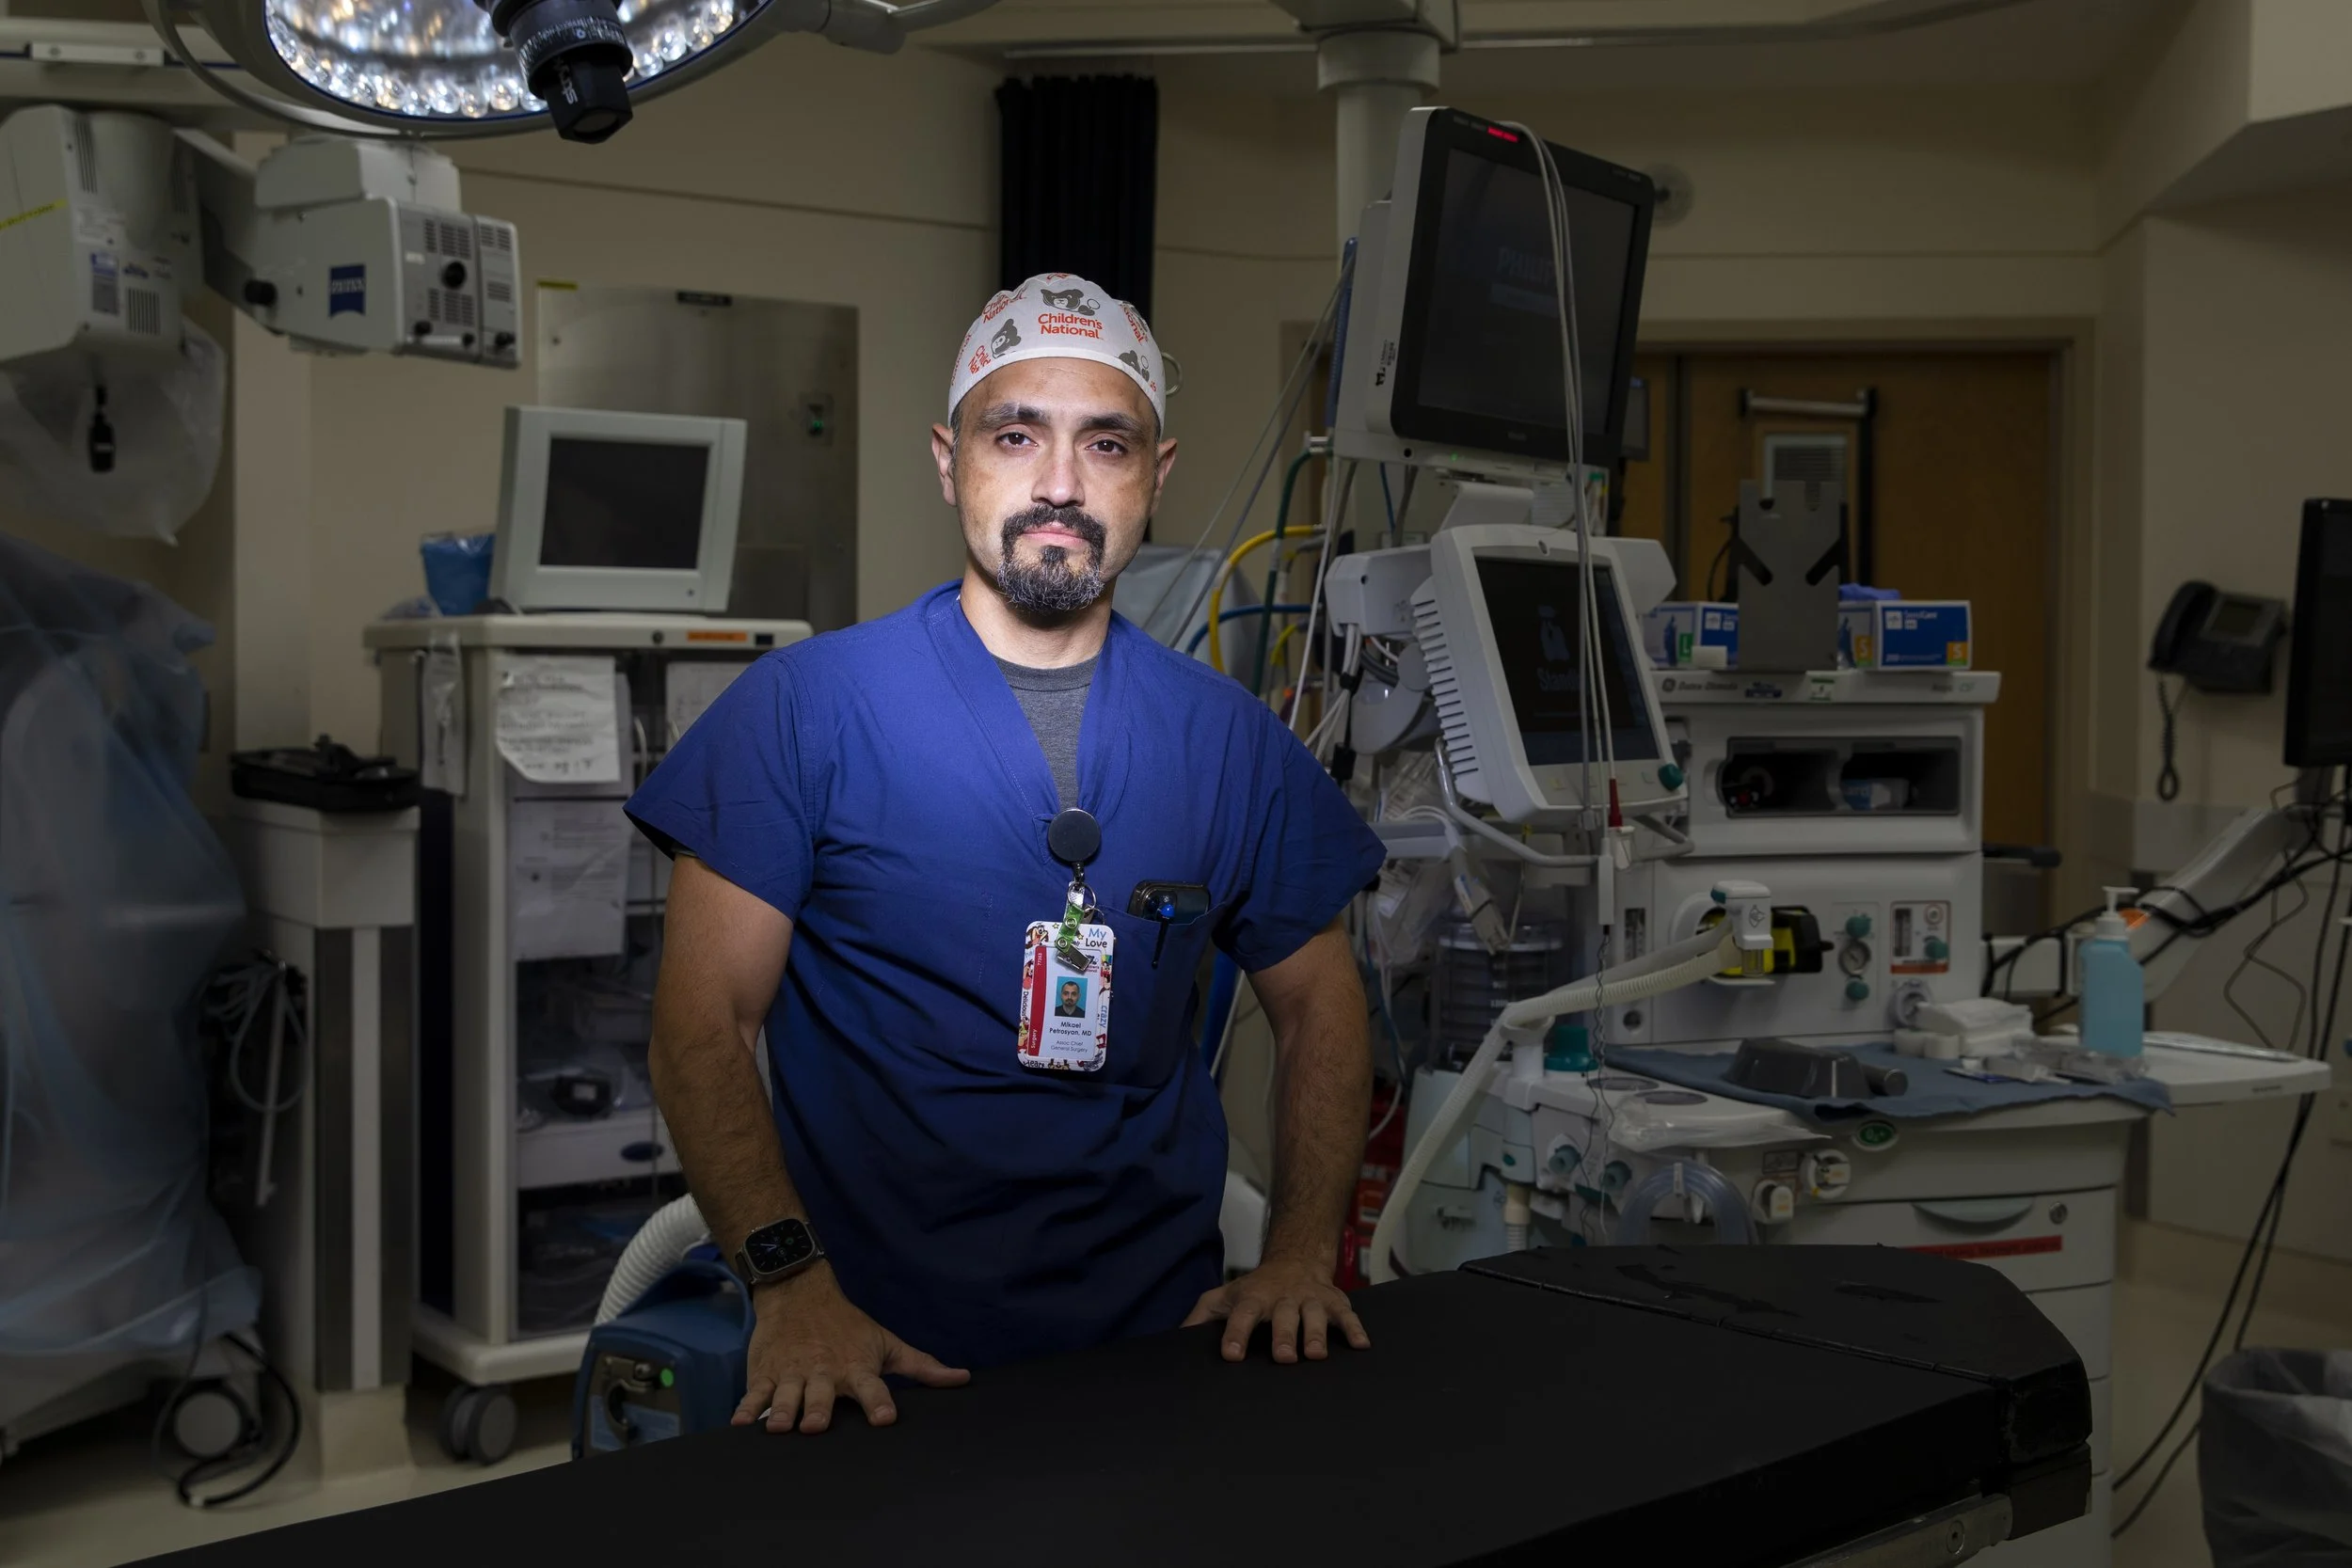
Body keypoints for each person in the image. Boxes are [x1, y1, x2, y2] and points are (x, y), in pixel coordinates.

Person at [627, 272, 1385, 1437]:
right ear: (949, 460)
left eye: (1106, 443)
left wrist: (1296, 1257)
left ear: (1156, 474)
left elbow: (1323, 1003)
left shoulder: (1229, 742)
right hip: (867, 1355)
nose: (1060, 483)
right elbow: (700, 1026)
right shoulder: (804, 711)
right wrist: (789, 1288)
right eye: (1015, 434)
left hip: (1161, 1344)